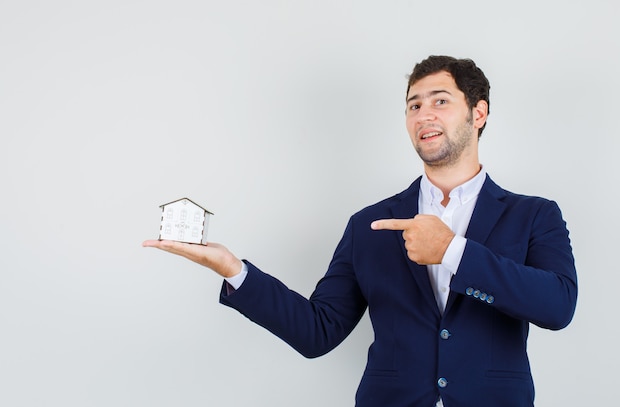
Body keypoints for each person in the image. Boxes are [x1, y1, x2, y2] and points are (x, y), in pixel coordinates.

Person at [143, 55, 577, 407]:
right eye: (413, 105)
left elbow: (557, 306)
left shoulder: (535, 215)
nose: (423, 113)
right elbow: (318, 331)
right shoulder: (369, 224)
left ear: (478, 113)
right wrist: (234, 269)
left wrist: (452, 252)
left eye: (439, 100)